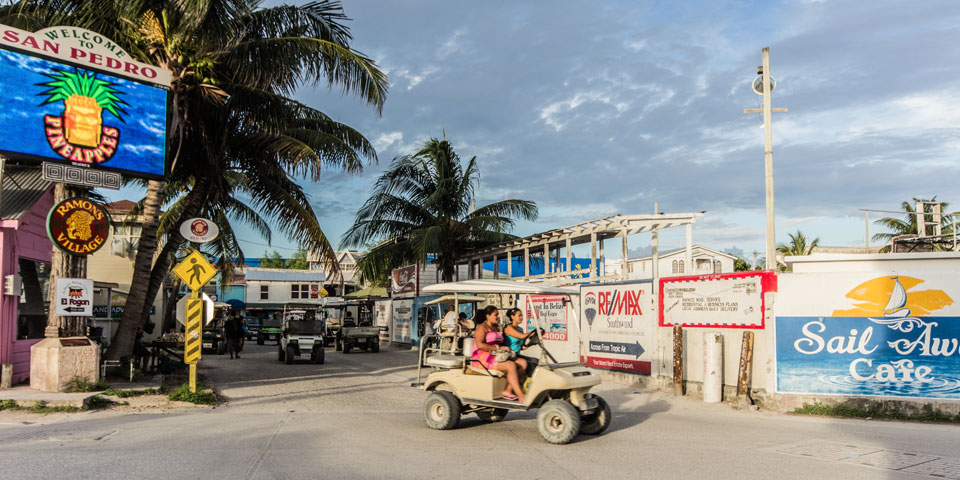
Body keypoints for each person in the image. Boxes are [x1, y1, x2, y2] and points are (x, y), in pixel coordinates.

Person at [471, 305, 525, 402]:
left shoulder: (496, 327)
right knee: (511, 366)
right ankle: (521, 395)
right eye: (496, 315)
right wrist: (498, 348)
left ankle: (509, 390)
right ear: (488, 316)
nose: (498, 317)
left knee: (523, 363)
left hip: (497, 354)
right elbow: (480, 345)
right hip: (483, 356)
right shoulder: (482, 328)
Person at [502, 308, 538, 376]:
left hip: (517, 355)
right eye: (519, 315)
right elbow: (521, 336)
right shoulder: (508, 328)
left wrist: (531, 343)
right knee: (529, 365)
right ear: (512, 317)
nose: (521, 318)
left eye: (522, 316)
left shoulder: (520, 329)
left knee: (536, 361)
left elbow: (522, 347)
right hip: (510, 355)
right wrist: (532, 333)